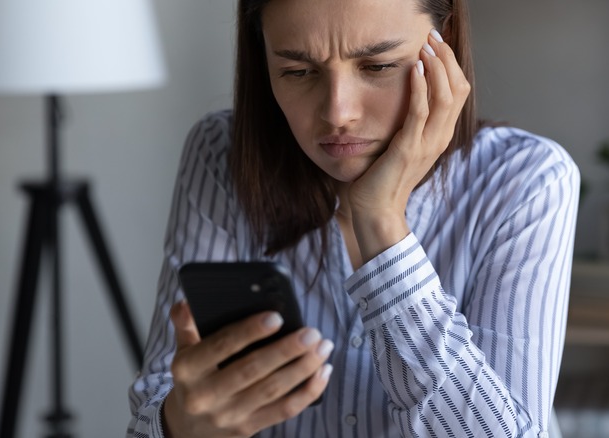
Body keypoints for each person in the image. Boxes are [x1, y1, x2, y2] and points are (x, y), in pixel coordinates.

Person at [127, 0, 579, 436]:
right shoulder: (220, 157)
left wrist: (380, 221)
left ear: (447, 44)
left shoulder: (526, 180)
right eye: (297, 71)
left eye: (378, 66)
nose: (338, 113)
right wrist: (180, 428)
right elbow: (153, 410)